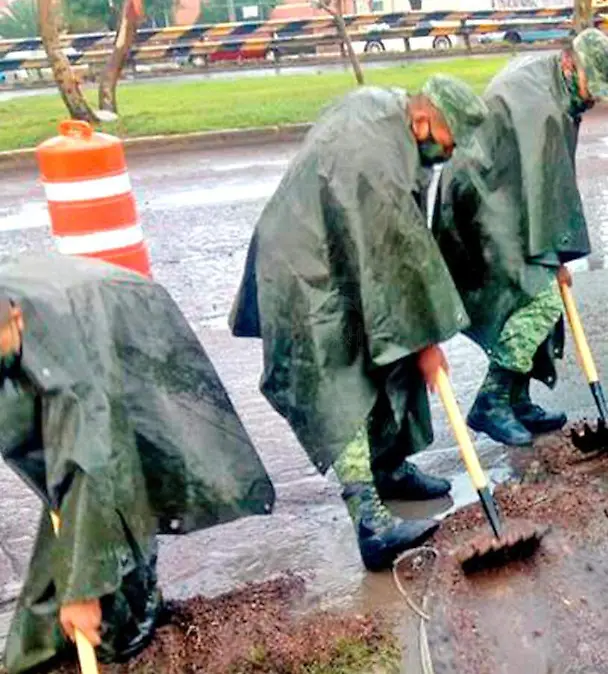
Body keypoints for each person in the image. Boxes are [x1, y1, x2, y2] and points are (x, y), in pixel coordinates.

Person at [230, 75, 488, 571]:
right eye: (449, 142)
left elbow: (398, 246)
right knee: (340, 385)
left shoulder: (387, 112)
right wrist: (426, 341)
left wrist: (417, 336)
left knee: (386, 361)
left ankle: (389, 470)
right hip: (304, 267)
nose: (449, 154)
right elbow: (395, 264)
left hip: (339, 247)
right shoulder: (378, 161)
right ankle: (371, 523)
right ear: (424, 120)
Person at [1, 256, 275, 673]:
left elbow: (91, 466)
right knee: (71, 498)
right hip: (61, 311)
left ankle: (130, 620)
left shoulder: (73, 368)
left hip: (119, 319)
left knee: (126, 480)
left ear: (16, 319)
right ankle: (57, 636)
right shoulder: (15, 336)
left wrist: (82, 592)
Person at [432, 28, 608, 447]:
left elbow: (549, 183)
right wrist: (552, 256)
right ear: (573, 64)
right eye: (594, 87)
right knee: (538, 299)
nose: (593, 99)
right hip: (480, 206)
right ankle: (492, 400)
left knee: (535, 293)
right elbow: (542, 189)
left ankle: (518, 398)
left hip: (501, 196)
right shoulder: (544, 107)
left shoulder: (554, 83)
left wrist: (556, 254)